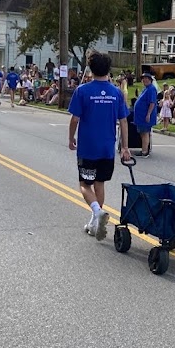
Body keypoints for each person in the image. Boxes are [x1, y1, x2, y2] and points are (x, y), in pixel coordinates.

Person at [68, 51, 132, 240]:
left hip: (88, 147)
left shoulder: (83, 91)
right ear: (108, 69)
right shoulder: (116, 93)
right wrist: (125, 147)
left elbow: (75, 119)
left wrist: (71, 137)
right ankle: (95, 222)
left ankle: (97, 211)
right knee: (99, 183)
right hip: (107, 148)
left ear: (90, 69)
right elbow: (124, 121)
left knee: (84, 185)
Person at [133, 71, 158, 157]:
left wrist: (148, 114)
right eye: (143, 79)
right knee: (142, 132)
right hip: (140, 116)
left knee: (145, 132)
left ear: (150, 80)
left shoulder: (151, 89)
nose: (145, 80)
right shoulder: (146, 89)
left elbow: (152, 103)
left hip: (145, 116)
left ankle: (145, 151)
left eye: (147, 79)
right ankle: (144, 149)